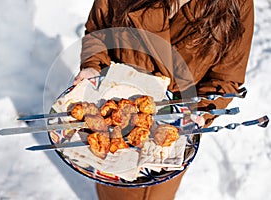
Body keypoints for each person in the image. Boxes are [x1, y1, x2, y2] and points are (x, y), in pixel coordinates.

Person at [72, 0, 254, 199]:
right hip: (115, 114)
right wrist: (93, 65)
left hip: (177, 127)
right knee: (114, 192)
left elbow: (226, 78)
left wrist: (200, 110)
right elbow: (98, 31)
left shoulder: (237, 3)